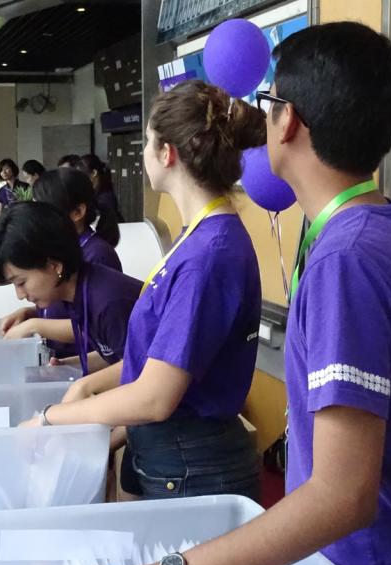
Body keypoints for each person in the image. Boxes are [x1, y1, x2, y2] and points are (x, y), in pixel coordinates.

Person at [103, 24, 391, 565]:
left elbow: (341, 499)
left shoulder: (349, 258)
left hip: (367, 561)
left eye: (269, 104)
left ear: (288, 119)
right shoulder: (388, 233)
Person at [21, 80, 266, 503]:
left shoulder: (209, 254)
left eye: (148, 142)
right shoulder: (200, 238)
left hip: (192, 462)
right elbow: (162, 359)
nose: (145, 153)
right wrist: (87, 387)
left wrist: (51, 418)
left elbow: (155, 396)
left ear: (167, 153)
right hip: (168, 452)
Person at [0, 201, 140, 375]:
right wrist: (66, 366)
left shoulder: (109, 302)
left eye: (21, 282)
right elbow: (111, 354)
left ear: (54, 265)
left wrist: (82, 388)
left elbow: (137, 369)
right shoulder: (77, 292)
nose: (20, 295)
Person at [0, 168, 123, 356]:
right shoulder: (58, 251)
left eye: (45, 211)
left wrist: (35, 325)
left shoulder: (98, 254)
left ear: (78, 212)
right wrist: (30, 313)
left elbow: (94, 323)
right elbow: (68, 306)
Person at [78, 154, 123, 221]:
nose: (79, 179)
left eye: (81, 175)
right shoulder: (95, 194)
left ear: (94, 173)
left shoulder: (105, 198)